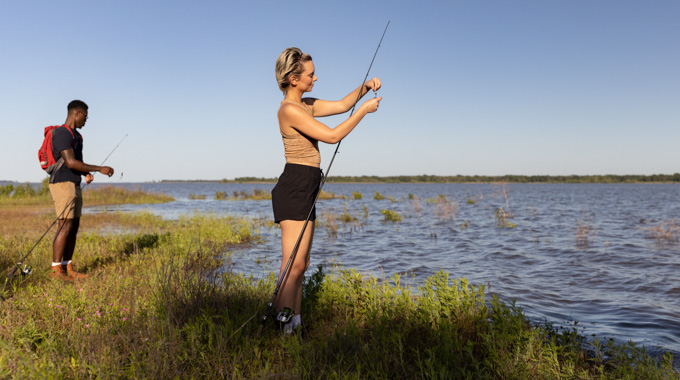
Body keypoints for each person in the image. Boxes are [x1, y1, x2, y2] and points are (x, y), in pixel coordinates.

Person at [272, 47, 382, 333]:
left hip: (308, 183)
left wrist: (366, 86)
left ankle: (295, 321)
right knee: (291, 266)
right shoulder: (289, 110)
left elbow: (342, 105)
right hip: (295, 185)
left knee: (303, 263)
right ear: (293, 78)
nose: (315, 78)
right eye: (310, 74)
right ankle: (282, 326)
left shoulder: (306, 103)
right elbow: (332, 136)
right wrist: (364, 112)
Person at [48, 100, 114, 281]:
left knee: (73, 226)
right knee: (64, 225)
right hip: (62, 183)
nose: (86, 120)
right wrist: (99, 168)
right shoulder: (62, 133)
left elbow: (78, 162)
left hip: (75, 183)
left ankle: (67, 267)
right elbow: (69, 162)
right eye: (85, 116)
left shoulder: (77, 137)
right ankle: (55, 271)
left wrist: (86, 174)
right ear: (76, 113)